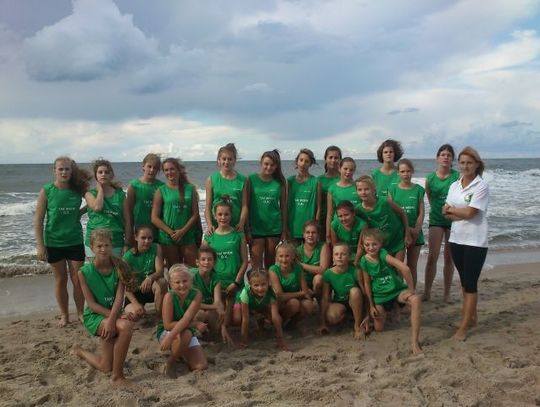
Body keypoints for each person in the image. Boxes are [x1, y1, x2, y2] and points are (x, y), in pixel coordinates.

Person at [72, 229, 138, 384]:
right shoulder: (84, 272)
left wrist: (113, 318)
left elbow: (119, 298)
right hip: (95, 316)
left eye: (107, 245)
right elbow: (92, 304)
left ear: (111, 246)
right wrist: (113, 319)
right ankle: (117, 377)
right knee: (126, 326)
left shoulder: (119, 266)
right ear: (92, 247)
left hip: (112, 313)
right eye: (99, 246)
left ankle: (79, 351)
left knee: (105, 367)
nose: (103, 249)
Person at [34, 156, 91, 326]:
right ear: (55, 171)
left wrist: (80, 213)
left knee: (78, 280)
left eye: (67, 169)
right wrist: (40, 245)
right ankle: (64, 315)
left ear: (72, 171)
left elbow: (93, 201)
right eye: (61, 169)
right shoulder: (47, 190)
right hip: (54, 242)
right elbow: (38, 220)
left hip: (74, 240)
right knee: (60, 280)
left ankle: (80, 313)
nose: (64, 172)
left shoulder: (78, 189)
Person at [443, 146, 489, 341]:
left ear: (477, 164)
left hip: (475, 241)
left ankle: (463, 328)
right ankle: (472, 319)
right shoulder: (454, 185)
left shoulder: (481, 186)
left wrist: (455, 212)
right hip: (456, 239)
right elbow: (445, 211)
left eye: (469, 162)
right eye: (462, 162)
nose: (465, 166)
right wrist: (458, 212)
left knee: (470, 284)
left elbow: (471, 213)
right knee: (463, 282)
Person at [359, 229, 422, 354]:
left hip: (395, 291)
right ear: (363, 245)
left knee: (416, 300)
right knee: (378, 329)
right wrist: (371, 306)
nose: (371, 248)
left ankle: (415, 341)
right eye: (367, 245)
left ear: (380, 244)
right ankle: (387, 311)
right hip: (380, 296)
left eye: (374, 244)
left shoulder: (383, 254)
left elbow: (405, 268)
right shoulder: (364, 261)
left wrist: (411, 290)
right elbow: (367, 283)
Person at [202, 197, 248, 333]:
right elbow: (203, 263)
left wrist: (236, 283)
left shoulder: (238, 234)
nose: (223, 217)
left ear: (231, 215)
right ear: (215, 216)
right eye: (220, 214)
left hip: (234, 284)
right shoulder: (209, 236)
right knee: (218, 324)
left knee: (237, 319)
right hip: (216, 286)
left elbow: (245, 261)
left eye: (226, 214)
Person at [423, 144, 460, 302]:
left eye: (449, 155)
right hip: (436, 220)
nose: (445, 157)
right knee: (432, 257)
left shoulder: (457, 176)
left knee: (449, 258)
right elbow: (431, 198)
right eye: (443, 154)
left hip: (453, 220)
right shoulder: (430, 178)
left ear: (452, 159)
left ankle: (446, 294)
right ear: (438, 157)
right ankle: (427, 292)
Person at [158, 264, 208, 377]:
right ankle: (171, 362)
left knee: (201, 366)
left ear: (191, 280)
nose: (182, 285)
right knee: (187, 333)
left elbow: (186, 318)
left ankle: (181, 352)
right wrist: (195, 324)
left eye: (185, 281)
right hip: (168, 332)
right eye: (177, 282)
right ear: (171, 284)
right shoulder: (169, 296)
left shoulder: (196, 294)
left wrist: (193, 324)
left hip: (185, 330)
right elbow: (167, 325)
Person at [151, 157, 199, 267]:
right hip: (168, 238)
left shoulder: (190, 189)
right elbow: (154, 218)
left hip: (187, 235)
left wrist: (182, 231)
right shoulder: (161, 190)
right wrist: (171, 233)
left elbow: (195, 214)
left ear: (178, 170)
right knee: (174, 271)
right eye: (166, 170)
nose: (169, 172)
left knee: (193, 268)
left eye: (172, 169)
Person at [246, 150, 287, 269]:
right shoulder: (251, 179)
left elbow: (283, 207)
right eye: (266, 164)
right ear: (261, 163)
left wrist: (284, 230)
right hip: (256, 228)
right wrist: (247, 229)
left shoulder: (280, 182)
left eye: (272, 165)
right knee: (256, 267)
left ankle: (270, 282)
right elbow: (246, 205)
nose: (269, 167)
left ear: (276, 166)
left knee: (271, 265)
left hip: (274, 227)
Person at [355, 175, 411, 262]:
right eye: (360, 190)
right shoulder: (358, 210)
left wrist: (407, 234)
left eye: (366, 189)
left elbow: (402, 213)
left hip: (397, 239)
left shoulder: (384, 201)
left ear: (374, 190)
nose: (363, 192)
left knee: (399, 268)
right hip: (379, 245)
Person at [388, 159, 425, 287]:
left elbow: (421, 212)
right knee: (399, 266)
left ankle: (412, 291)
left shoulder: (419, 189)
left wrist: (416, 230)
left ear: (412, 172)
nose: (405, 174)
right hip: (399, 233)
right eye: (402, 171)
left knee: (412, 266)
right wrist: (407, 230)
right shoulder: (392, 189)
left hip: (415, 233)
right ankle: (399, 292)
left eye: (408, 171)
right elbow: (391, 213)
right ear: (398, 173)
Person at [232, 268, 288, 350]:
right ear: (250, 285)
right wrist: (244, 342)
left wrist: (281, 339)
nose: (260, 288)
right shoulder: (245, 293)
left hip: (259, 304)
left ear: (268, 283)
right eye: (256, 285)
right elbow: (245, 319)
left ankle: (260, 319)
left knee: (277, 319)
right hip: (245, 305)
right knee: (238, 318)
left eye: (263, 284)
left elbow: (275, 317)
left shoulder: (272, 292)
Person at [319, 243, 365, 339]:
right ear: (333, 257)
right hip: (340, 302)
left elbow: (365, 294)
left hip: (355, 301)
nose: (339, 257)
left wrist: (368, 315)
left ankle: (357, 325)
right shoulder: (328, 274)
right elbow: (325, 297)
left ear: (349, 257)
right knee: (332, 317)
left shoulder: (356, 271)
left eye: (343, 254)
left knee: (355, 291)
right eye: (336, 254)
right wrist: (323, 323)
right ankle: (347, 317)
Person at [84, 159, 129, 257]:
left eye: (106, 172)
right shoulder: (90, 194)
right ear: (96, 175)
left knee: (115, 267)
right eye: (100, 172)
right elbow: (97, 207)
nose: (103, 174)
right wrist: (100, 190)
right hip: (94, 242)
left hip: (116, 241)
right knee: (95, 267)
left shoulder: (120, 195)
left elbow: (127, 220)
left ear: (111, 175)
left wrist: (127, 243)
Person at [122, 225, 167, 320]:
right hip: (135, 292)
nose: (147, 241)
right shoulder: (127, 257)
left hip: (151, 288)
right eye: (143, 238)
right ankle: (138, 309)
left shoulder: (156, 247)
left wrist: (150, 278)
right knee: (134, 315)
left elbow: (160, 271)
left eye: (150, 238)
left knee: (162, 282)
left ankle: (159, 318)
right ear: (136, 237)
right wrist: (135, 303)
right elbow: (124, 285)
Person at [204, 143, 247, 234]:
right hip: (216, 228)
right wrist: (209, 224)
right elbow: (207, 207)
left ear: (234, 161)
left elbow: (244, 206)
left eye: (230, 159)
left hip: (236, 227)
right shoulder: (211, 180)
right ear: (219, 160)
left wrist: (241, 223)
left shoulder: (243, 180)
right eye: (224, 159)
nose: (226, 162)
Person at [191, 246, 231, 344]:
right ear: (197, 262)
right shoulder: (192, 276)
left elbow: (218, 301)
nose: (206, 262)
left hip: (208, 308)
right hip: (192, 309)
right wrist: (214, 307)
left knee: (217, 318)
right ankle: (195, 336)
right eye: (203, 259)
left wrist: (223, 326)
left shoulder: (215, 277)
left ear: (214, 262)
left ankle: (211, 334)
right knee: (200, 314)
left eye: (210, 259)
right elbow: (193, 304)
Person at [269, 242, 314, 325]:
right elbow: (280, 296)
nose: (284, 259)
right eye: (281, 256)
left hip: (293, 298)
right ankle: (279, 322)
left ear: (293, 257)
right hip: (279, 302)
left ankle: (292, 324)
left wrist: (309, 301)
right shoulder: (273, 270)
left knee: (309, 305)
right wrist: (301, 293)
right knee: (294, 303)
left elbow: (305, 291)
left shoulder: (298, 268)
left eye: (287, 256)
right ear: (277, 257)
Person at [125, 153, 164, 244]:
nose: (151, 170)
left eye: (155, 168)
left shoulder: (162, 187)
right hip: (140, 232)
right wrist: (129, 232)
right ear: (143, 167)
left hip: (158, 232)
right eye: (149, 166)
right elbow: (129, 212)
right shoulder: (134, 185)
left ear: (158, 170)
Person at [287, 148, 321, 243]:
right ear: (296, 161)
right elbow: (285, 206)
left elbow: (318, 208)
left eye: (306, 161)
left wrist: (316, 227)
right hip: (293, 227)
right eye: (301, 160)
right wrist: (285, 227)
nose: (303, 163)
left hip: (310, 231)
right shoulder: (289, 181)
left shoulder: (316, 182)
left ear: (310, 164)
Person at [326, 157, 360, 242]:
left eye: (351, 170)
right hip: (339, 227)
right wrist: (328, 235)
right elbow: (330, 213)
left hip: (356, 227)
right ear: (339, 168)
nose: (348, 172)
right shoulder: (332, 189)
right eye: (345, 169)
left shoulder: (358, 187)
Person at [297, 221, 331, 296]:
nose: (310, 235)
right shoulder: (298, 250)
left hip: (320, 283)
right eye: (307, 232)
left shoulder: (323, 247)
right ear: (303, 235)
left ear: (318, 235)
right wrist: (305, 288)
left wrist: (301, 265)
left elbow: (323, 270)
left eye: (314, 232)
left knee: (318, 278)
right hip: (304, 283)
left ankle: (316, 296)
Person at [318, 146, 342, 238]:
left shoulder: (344, 179)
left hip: (339, 220)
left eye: (336, 158)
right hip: (321, 220)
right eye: (330, 157)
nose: (333, 160)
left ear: (340, 160)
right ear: (325, 159)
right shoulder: (319, 180)